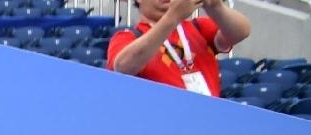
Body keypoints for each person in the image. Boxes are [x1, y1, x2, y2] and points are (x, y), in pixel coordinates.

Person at [107, 0, 249, 94]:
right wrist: (172, 17)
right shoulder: (128, 37)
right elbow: (123, 66)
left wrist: (215, 6)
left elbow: (241, 32)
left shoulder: (198, 27)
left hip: (207, 118)